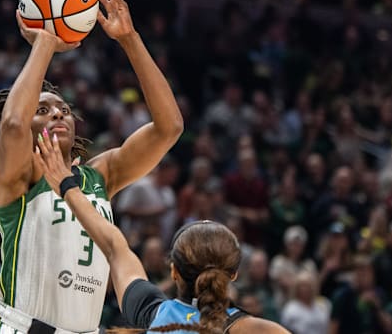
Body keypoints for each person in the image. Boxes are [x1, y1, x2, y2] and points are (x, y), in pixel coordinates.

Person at [0, 0, 183, 334]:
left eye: (64, 109)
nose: (57, 112)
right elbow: (12, 125)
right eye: (43, 109)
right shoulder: (19, 174)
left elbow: (170, 128)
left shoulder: (101, 175)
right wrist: (45, 41)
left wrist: (130, 39)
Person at [33, 132, 287, 333]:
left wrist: (67, 186)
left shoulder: (154, 314)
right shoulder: (254, 329)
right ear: (233, 274)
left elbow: (113, 246)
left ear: (173, 271)